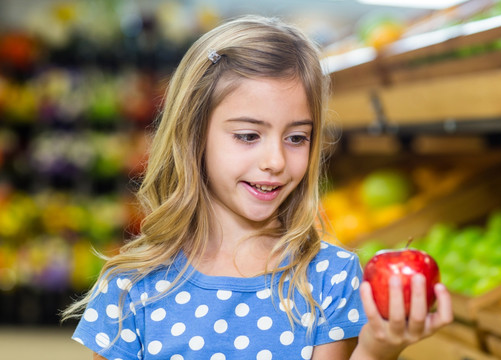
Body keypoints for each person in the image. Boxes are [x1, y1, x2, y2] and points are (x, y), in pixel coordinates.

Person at [62, 15, 453, 360]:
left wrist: (376, 351)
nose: (276, 161)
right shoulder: (132, 285)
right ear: (193, 136)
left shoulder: (329, 277)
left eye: (297, 138)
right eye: (249, 135)